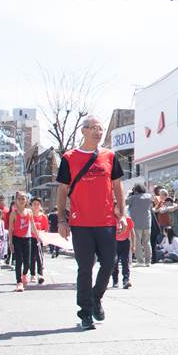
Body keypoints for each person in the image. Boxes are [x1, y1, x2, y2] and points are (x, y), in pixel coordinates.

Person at [55, 115, 126, 330]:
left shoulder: (110, 156)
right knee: (85, 268)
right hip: (81, 223)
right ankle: (85, 312)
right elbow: (62, 190)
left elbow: (117, 187)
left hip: (106, 221)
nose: (98, 131)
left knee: (110, 262)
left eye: (101, 128)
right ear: (83, 130)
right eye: (94, 127)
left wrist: (121, 214)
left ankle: (96, 298)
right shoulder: (69, 157)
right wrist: (61, 220)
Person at [7, 191, 33, 292]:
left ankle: (24, 274)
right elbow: (10, 228)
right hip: (17, 238)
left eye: (23, 199)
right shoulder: (14, 213)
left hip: (27, 238)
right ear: (16, 201)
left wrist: (38, 236)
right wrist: (10, 242)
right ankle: (19, 282)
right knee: (19, 261)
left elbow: (33, 225)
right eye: (19, 199)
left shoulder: (29, 212)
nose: (21, 200)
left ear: (26, 201)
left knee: (27, 262)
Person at [126, 184, 153, 267]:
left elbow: (125, 202)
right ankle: (148, 261)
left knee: (137, 242)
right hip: (147, 222)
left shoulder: (133, 198)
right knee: (147, 242)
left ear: (136, 190)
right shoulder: (149, 196)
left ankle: (140, 261)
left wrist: (129, 194)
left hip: (136, 223)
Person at [29, 198, 47, 284]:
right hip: (30, 238)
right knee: (32, 257)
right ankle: (33, 275)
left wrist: (43, 238)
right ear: (31, 206)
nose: (36, 206)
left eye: (38, 204)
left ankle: (40, 274)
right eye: (34, 204)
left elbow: (46, 228)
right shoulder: (29, 216)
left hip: (40, 239)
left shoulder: (43, 217)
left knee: (40, 257)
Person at [113, 216, 133, 289]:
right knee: (115, 262)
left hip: (125, 242)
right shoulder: (112, 218)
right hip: (115, 242)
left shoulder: (128, 219)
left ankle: (126, 280)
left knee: (125, 261)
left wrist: (133, 244)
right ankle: (115, 281)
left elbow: (132, 231)